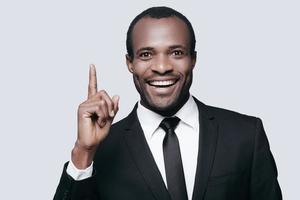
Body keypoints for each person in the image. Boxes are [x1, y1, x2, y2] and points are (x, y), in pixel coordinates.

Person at [54, 6, 282, 200]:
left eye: (176, 52)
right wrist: (83, 151)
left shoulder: (245, 135)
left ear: (193, 59)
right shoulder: (100, 150)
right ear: (129, 63)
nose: (162, 67)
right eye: (146, 54)